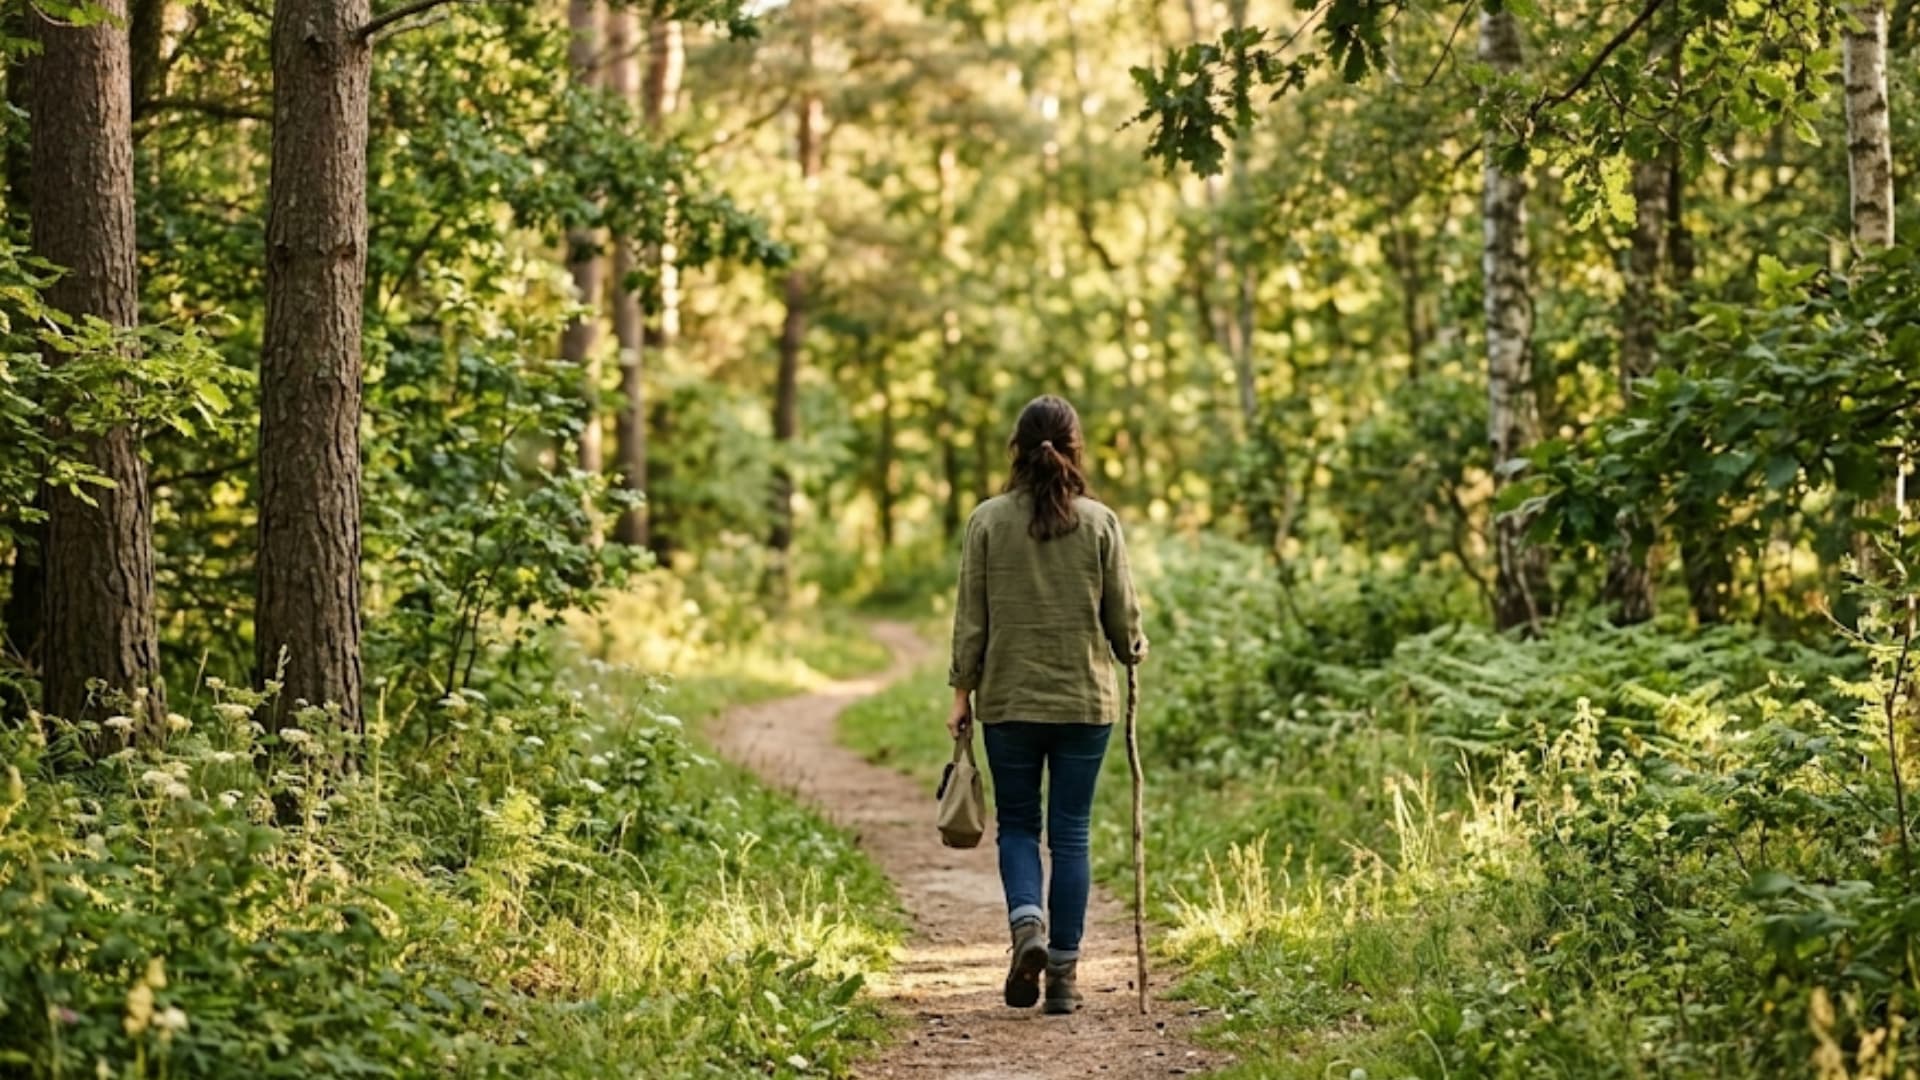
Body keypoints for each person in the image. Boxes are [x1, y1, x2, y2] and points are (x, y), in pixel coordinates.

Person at [945, 393, 1147, 1015]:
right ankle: (1063, 977)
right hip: (1085, 703)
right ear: (1074, 447)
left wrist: (960, 692)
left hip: (1008, 700)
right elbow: (1123, 622)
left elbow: (970, 621)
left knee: (1020, 827)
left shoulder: (986, 522)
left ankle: (1026, 924)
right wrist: (1131, 646)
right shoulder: (1100, 523)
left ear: (1017, 449)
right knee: (1072, 835)